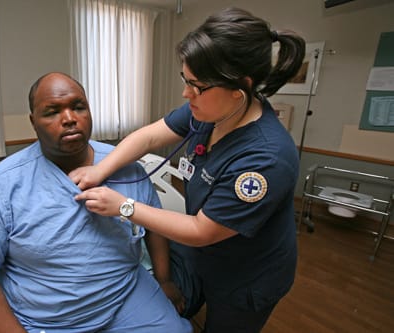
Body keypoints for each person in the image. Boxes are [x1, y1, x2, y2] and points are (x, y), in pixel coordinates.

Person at [70, 7, 306, 333]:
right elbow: (151, 135)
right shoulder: (210, 111)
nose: (186, 93)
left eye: (196, 85)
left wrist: (123, 207)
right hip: (208, 257)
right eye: (186, 79)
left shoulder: (264, 160)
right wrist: (101, 170)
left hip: (247, 276)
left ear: (240, 89)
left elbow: (201, 230)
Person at [0, 72, 192, 333]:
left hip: (126, 297)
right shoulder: (2, 185)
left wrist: (164, 280)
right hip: (47, 318)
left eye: (78, 107)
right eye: (52, 112)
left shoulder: (125, 167)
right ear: (34, 122)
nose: (70, 119)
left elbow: (153, 226)